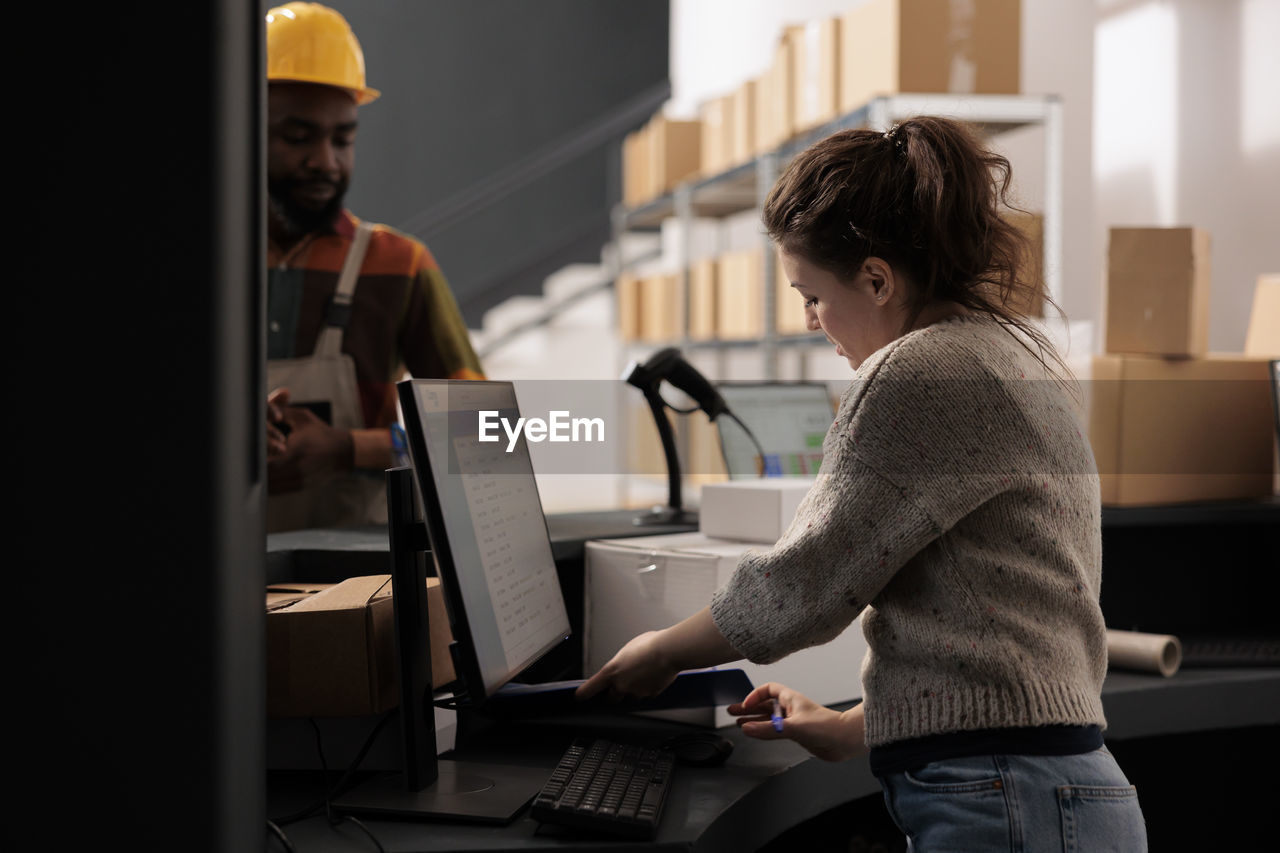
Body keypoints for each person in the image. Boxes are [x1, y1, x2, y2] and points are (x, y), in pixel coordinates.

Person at [578, 117, 1148, 851]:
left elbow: (800, 586)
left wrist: (658, 651)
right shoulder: (1002, 353)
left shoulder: (919, 373)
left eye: (810, 294)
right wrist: (850, 728)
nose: (812, 320)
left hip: (1009, 800)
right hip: (1044, 792)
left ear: (877, 278)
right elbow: (999, 628)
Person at [263, 2, 483, 532]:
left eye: (343, 139)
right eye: (298, 137)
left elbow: (482, 434)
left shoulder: (398, 266)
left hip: (363, 589)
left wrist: (350, 448)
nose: (326, 161)